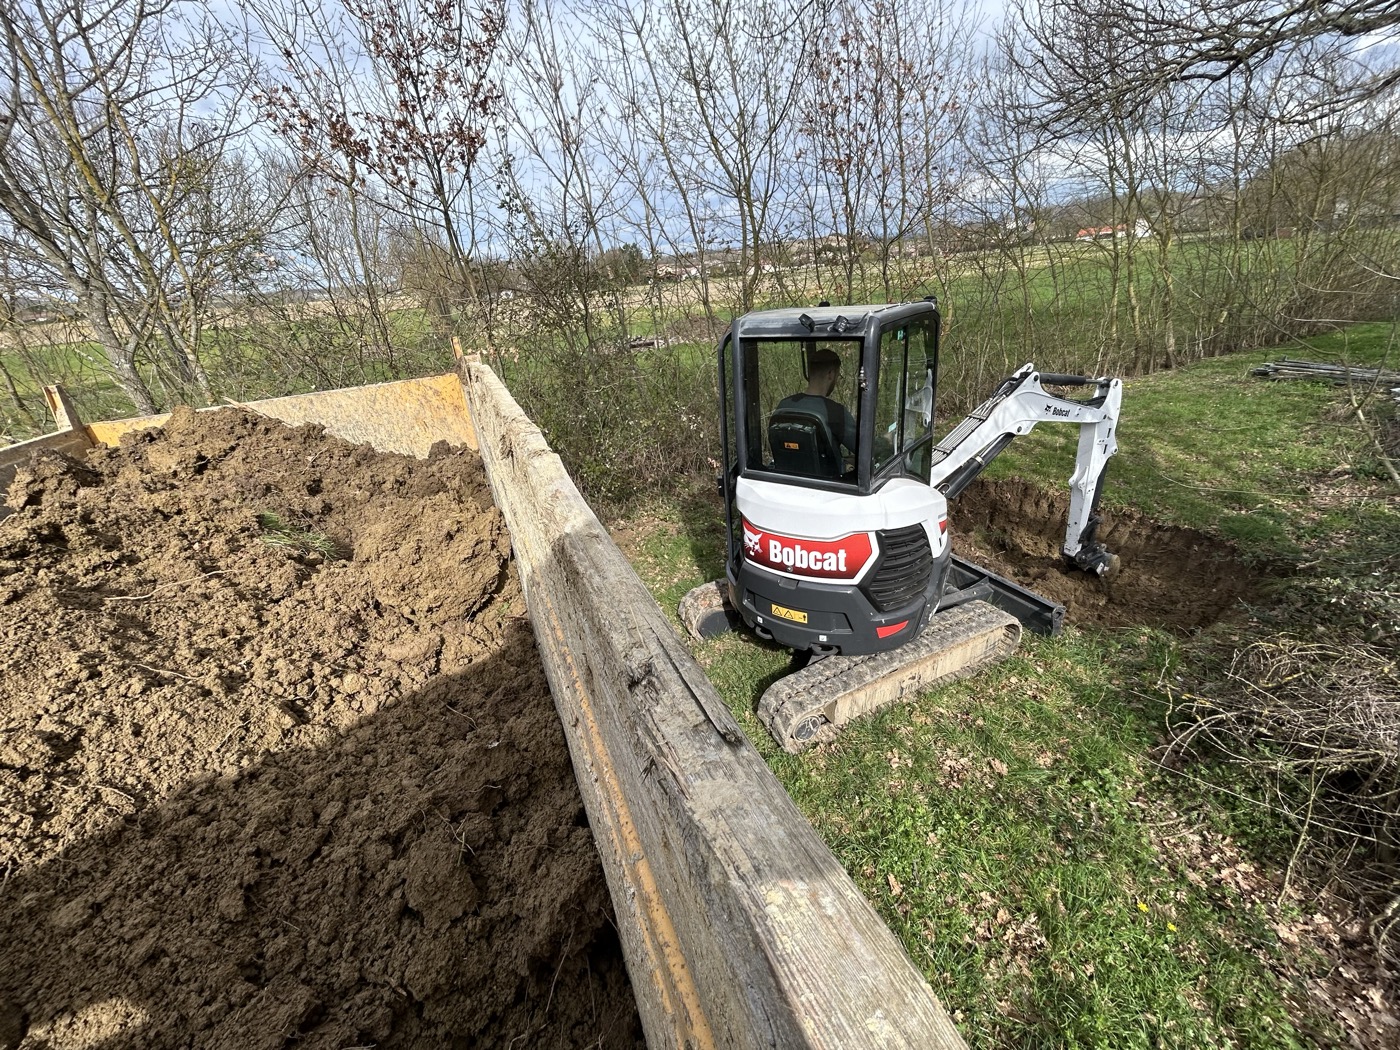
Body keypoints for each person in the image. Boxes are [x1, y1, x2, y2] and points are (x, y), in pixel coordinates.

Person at [774, 347, 858, 457]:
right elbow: (863, 449)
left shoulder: (783, 406)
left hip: (786, 469)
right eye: (837, 376)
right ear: (831, 374)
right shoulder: (836, 412)